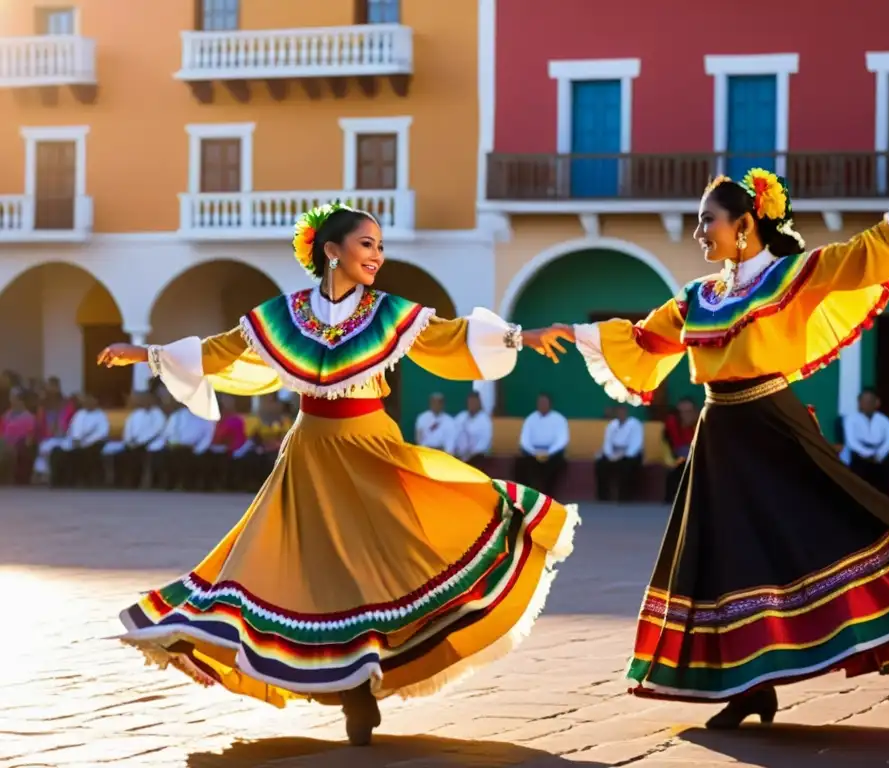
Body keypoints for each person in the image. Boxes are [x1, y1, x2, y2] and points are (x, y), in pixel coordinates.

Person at [96, 202, 579, 747]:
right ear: (332, 251)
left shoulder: (390, 312)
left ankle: (368, 677)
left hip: (372, 450)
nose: (377, 255)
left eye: (379, 245)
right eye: (366, 244)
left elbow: (450, 338)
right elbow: (222, 352)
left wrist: (522, 337)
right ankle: (348, 689)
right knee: (309, 572)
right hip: (310, 455)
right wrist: (144, 354)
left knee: (381, 564)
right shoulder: (282, 316)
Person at [525, 164, 889, 728]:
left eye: (707, 221)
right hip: (719, 437)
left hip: (772, 427)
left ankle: (879, 626)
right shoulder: (698, 297)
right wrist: (568, 332)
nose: (699, 232)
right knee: (725, 558)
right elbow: (644, 338)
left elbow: (859, 254)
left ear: (745, 224)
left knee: (826, 529)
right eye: (698, 222)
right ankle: (751, 685)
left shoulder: (790, 275)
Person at [515, 393, 570, 496]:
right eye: (540, 402)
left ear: (550, 404)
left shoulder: (559, 419)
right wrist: (534, 452)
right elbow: (524, 439)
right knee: (520, 463)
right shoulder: (530, 418)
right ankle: (524, 496)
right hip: (533, 452)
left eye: (545, 402)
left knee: (556, 464)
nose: (542, 405)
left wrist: (548, 453)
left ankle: (548, 495)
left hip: (552, 453)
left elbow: (562, 439)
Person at [843, 389, 889, 494]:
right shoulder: (851, 419)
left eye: (870, 401)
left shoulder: (884, 420)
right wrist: (868, 454)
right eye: (864, 401)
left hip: (880, 456)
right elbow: (851, 442)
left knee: (887, 469)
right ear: (859, 403)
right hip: (860, 457)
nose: (867, 404)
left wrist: (879, 454)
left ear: (876, 403)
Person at [595, 404, 644, 501]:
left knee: (626, 466)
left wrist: (623, 455)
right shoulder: (612, 425)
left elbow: (636, 444)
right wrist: (609, 455)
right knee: (600, 464)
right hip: (614, 453)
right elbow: (607, 442)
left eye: (622, 411)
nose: (620, 413)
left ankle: (624, 497)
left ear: (626, 412)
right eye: (618, 411)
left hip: (630, 454)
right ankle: (603, 497)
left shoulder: (635, 424)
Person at [662, 397, 697, 502]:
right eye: (681, 412)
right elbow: (675, 445)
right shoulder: (672, 422)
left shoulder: (698, 422)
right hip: (675, 456)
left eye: (688, 412)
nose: (684, 415)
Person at [452, 391, 493, 467]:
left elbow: (485, 442)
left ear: (479, 403)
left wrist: (471, 454)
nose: (472, 404)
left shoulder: (485, 420)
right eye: (470, 402)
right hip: (459, 456)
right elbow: (453, 435)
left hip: (477, 457)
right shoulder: (461, 417)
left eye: (474, 402)